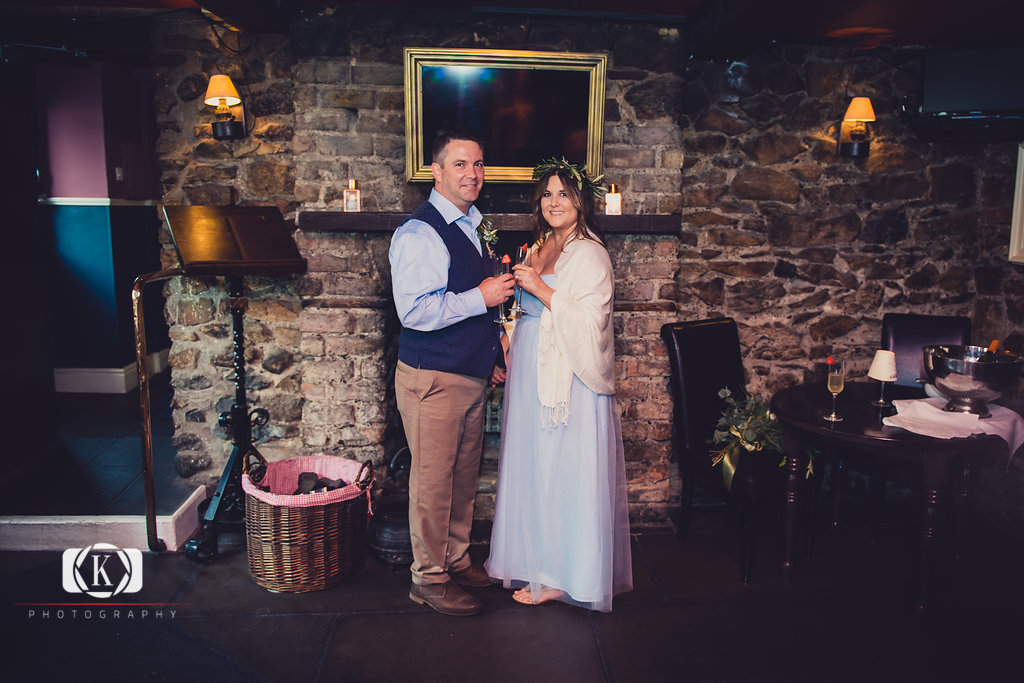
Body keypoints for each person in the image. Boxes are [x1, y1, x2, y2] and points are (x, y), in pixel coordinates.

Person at [485, 158, 633, 612]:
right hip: (533, 363)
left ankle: (565, 576)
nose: (554, 202)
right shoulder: (544, 243)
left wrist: (541, 290)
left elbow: (592, 322)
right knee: (535, 465)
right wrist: (509, 333)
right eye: (547, 194)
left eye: (564, 194)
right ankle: (540, 560)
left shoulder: (590, 252)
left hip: (568, 379)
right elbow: (528, 308)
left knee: (564, 470)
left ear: (581, 201)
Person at [389, 129, 515, 616]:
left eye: (479, 164)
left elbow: (478, 305)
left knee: (463, 479)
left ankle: (457, 560)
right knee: (433, 484)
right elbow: (414, 311)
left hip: (469, 374)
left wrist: (494, 352)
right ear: (436, 172)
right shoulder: (419, 232)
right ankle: (428, 578)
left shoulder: (474, 225)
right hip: (432, 378)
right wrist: (480, 297)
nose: (473, 173)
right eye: (460, 164)